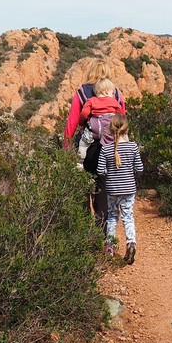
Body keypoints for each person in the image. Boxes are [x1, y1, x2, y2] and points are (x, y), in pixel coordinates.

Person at [63, 60, 127, 230]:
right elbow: (123, 121)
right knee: (104, 191)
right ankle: (103, 238)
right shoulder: (116, 94)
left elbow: (72, 122)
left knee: (82, 187)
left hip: (88, 147)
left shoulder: (82, 92)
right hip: (109, 148)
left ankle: (83, 232)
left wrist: (67, 146)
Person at [98, 114, 144, 264]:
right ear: (127, 130)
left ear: (111, 131)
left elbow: (100, 170)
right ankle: (131, 242)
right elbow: (139, 168)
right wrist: (131, 174)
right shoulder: (133, 147)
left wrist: (109, 175)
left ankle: (110, 247)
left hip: (111, 189)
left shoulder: (105, 149)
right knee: (128, 217)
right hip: (129, 188)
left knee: (112, 217)